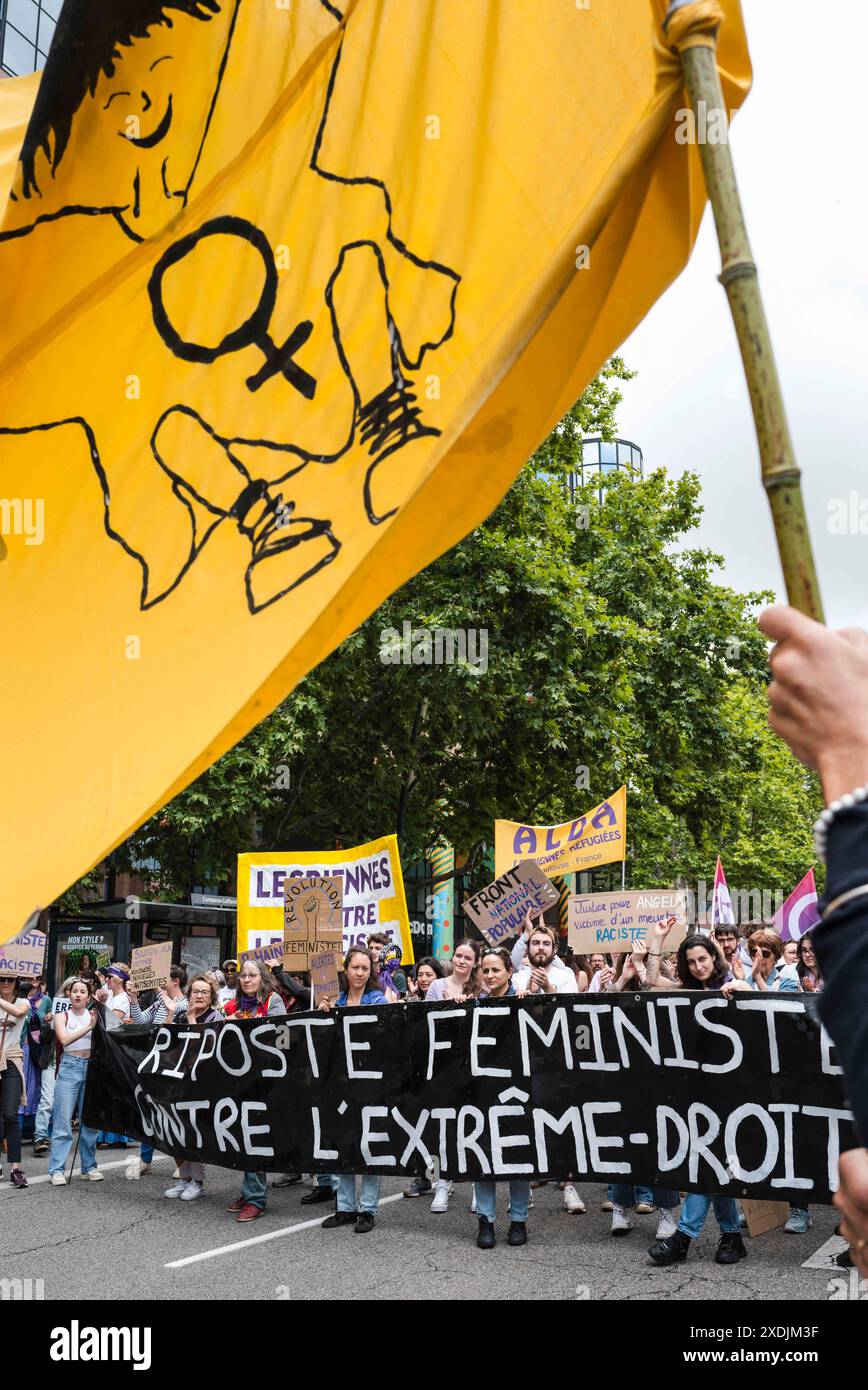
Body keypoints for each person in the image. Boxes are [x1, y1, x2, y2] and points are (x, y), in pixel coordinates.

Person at [318, 947, 388, 1233]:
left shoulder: (378, 999)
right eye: (355, 967)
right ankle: (345, 1207)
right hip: (342, 1082)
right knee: (344, 1143)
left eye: (365, 968)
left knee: (369, 1145)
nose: (360, 973)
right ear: (345, 970)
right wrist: (325, 1013)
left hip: (370, 1082)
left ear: (370, 972)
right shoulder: (336, 1000)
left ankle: (367, 1209)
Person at [467, 948, 530, 1247]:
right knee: (484, 1156)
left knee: (518, 1155)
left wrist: (533, 1007)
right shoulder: (474, 1005)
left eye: (496, 971)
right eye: (486, 971)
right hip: (484, 1092)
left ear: (509, 972)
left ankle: (518, 1221)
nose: (490, 976)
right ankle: (486, 1221)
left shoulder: (525, 1001)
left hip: (518, 1092)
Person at [222, 960, 287, 1221]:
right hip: (238, 1081)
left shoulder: (274, 1002)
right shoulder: (231, 1006)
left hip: (266, 1081)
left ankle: (256, 1198)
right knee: (243, 1138)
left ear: (262, 978)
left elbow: (283, 1038)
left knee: (256, 1138)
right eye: (244, 976)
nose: (247, 980)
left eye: (253, 975)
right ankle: (250, 1190)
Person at [163, 975, 221, 1202]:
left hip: (201, 1081)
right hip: (178, 1080)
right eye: (195, 992)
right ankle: (184, 1179)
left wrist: (191, 1018)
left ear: (211, 996)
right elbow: (165, 1041)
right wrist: (170, 1013)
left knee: (194, 1131)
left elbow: (204, 1046)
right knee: (175, 1130)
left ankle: (197, 1182)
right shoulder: (179, 1014)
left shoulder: (215, 1016)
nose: (198, 996)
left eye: (204, 992)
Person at [48, 979, 104, 1185]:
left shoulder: (93, 1015)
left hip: (91, 1067)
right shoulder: (61, 1016)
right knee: (63, 1121)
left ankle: (89, 1167)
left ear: (88, 997)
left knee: (89, 1122)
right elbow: (64, 1040)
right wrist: (90, 1026)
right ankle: (57, 1170)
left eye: (83, 992)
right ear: (69, 995)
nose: (78, 995)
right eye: (75, 991)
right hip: (70, 1067)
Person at [0, 974, 33, 1188]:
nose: (5, 984)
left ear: (16, 983)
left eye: (10, 980)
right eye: (1, 980)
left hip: (11, 1060)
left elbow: (18, 1013)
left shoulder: (23, 1002)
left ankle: (15, 1169)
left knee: (10, 1115)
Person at [721, 929, 798, 996]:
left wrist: (757, 977)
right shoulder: (744, 982)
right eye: (754, 952)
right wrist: (739, 981)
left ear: (776, 957)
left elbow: (775, 1005)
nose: (759, 957)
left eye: (765, 953)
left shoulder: (789, 984)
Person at [513, 922, 578, 995]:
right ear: (527, 948)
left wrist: (548, 989)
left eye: (546, 944)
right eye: (536, 943)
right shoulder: (516, 979)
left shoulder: (566, 978)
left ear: (555, 949)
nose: (541, 948)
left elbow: (570, 1005)